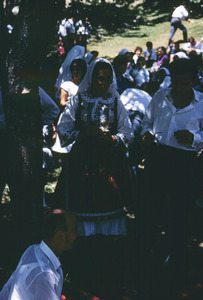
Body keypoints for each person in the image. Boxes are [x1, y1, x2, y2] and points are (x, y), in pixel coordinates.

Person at [140, 59, 202, 289]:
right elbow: (146, 122)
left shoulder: (201, 103)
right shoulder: (160, 97)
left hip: (185, 164)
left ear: (194, 82)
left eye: (185, 82)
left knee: (180, 214)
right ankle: (152, 260)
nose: (180, 86)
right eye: (176, 82)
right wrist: (146, 134)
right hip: (158, 160)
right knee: (153, 210)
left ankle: (178, 263)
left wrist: (194, 139)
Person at [0, 209, 78, 299]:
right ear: (60, 236)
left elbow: (6, 291)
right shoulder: (44, 274)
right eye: (74, 230)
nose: (77, 234)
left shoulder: (33, 249)